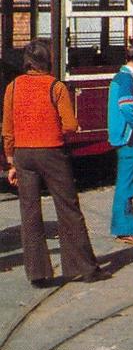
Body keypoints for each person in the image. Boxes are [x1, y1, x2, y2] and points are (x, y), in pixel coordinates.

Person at [2, 39, 107, 286]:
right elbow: (70, 124)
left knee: (29, 212)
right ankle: (85, 268)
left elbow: (8, 129)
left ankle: (37, 273)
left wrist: (11, 161)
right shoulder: (55, 87)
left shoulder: (13, 87)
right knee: (68, 208)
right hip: (51, 152)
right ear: (47, 60)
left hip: (23, 154)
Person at [107, 42, 133, 245]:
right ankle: (125, 229)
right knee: (127, 184)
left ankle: (122, 226)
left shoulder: (121, 76)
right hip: (129, 137)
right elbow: (126, 106)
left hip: (121, 136)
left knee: (124, 181)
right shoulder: (127, 79)